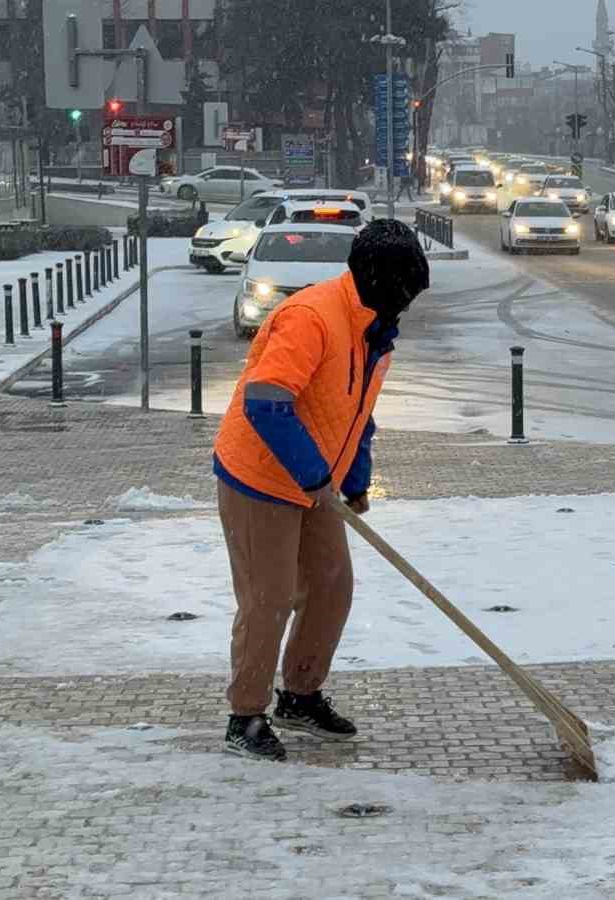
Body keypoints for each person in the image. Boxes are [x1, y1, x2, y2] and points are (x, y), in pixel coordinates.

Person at [211, 219, 429, 761]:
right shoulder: (311, 317)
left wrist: (354, 481)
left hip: (317, 480)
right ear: (380, 280)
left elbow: (358, 416)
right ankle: (246, 715)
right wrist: (314, 477)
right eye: (402, 294)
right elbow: (266, 404)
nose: (405, 307)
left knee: (332, 587)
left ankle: (300, 695)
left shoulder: (373, 333)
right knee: (270, 597)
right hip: (259, 477)